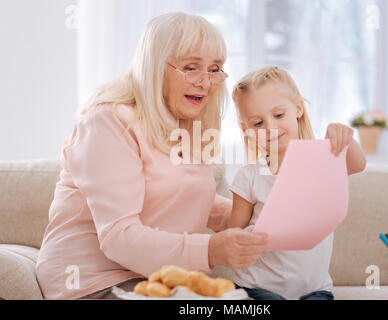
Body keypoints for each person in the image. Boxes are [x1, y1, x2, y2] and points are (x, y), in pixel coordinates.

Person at [36, 12, 270, 300]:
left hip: (158, 281)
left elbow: (194, 200)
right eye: (191, 67)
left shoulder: (187, 125)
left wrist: (256, 213)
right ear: (156, 67)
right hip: (94, 282)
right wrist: (211, 250)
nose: (206, 82)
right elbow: (119, 237)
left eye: (214, 69)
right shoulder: (108, 121)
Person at [228, 66, 367, 300]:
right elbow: (233, 235)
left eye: (279, 115)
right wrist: (256, 235)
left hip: (315, 290)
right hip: (258, 288)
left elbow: (358, 164)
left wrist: (345, 137)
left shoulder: (324, 161)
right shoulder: (249, 176)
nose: (270, 127)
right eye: (258, 123)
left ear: (298, 109)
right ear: (247, 130)